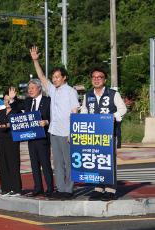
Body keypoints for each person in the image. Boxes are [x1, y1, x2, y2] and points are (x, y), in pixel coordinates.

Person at [29, 46, 80, 199]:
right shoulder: (52, 90)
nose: (55, 79)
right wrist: (35, 60)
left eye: (58, 76)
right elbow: (42, 77)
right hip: (54, 130)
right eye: (54, 77)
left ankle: (68, 190)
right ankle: (60, 188)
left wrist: (72, 132)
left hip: (66, 132)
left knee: (68, 162)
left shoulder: (71, 91)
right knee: (57, 162)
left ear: (64, 77)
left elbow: (74, 112)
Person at [80, 68, 127, 201]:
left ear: (104, 79)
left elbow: (123, 108)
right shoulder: (87, 95)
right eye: (94, 77)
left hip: (109, 134)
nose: (96, 79)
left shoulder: (113, 94)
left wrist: (114, 116)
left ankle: (110, 189)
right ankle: (99, 188)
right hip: (93, 135)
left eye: (99, 77)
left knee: (109, 161)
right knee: (96, 160)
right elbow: (84, 110)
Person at [9, 79, 54, 197]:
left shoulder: (48, 101)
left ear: (39, 88)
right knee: (34, 164)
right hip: (31, 137)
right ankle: (38, 187)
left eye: (32, 88)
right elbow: (17, 107)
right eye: (29, 89)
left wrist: (47, 121)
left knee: (45, 164)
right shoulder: (28, 101)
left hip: (43, 137)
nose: (30, 91)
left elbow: (55, 116)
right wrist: (13, 99)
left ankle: (50, 188)